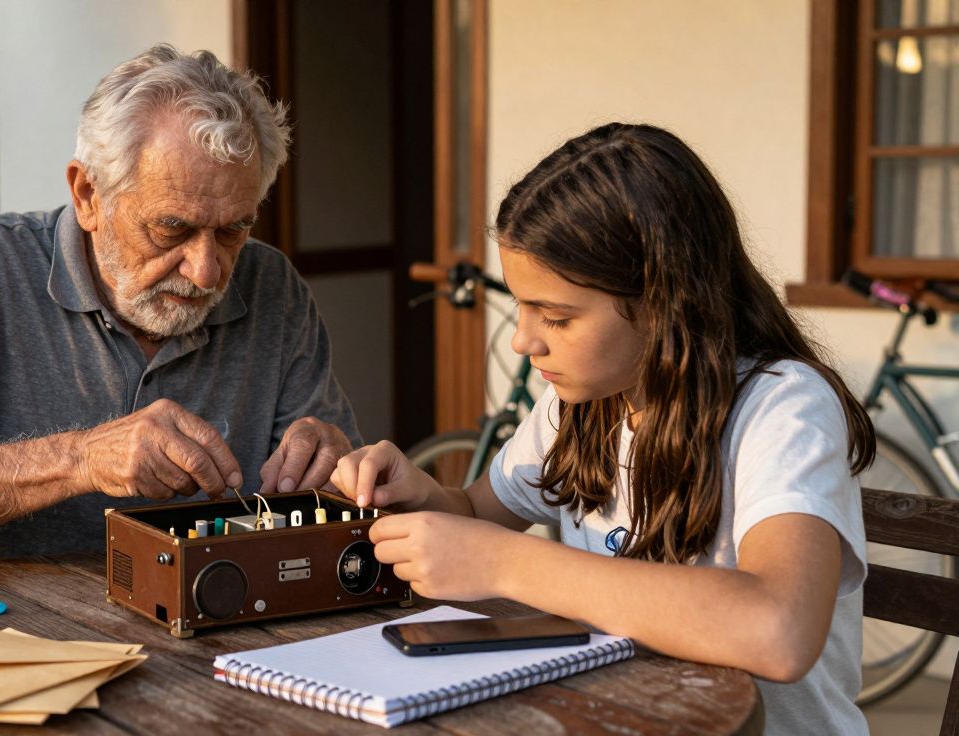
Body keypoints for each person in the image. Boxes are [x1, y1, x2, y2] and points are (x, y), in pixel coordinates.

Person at [330, 123, 872, 735]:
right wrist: (425, 496)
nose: (523, 339)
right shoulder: (581, 405)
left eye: (556, 317)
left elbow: (780, 630)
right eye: (521, 306)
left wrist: (509, 564)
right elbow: (479, 515)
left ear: (664, 301)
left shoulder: (781, 409)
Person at [0, 45, 360, 566]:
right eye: (170, 228)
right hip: (8, 634)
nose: (206, 269)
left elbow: (337, 507)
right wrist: (81, 459)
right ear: (88, 195)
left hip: (217, 626)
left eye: (233, 229)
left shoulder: (273, 287)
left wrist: (335, 467)